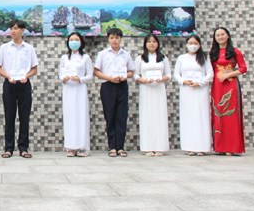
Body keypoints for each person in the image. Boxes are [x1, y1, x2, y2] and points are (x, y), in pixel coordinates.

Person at [0, 19, 39, 158]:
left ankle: (23, 148)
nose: (12, 31)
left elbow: (34, 69)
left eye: (15, 28)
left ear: (22, 30)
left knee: (24, 117)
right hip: (9, 83)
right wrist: (7, 76)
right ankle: (9, 148)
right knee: (9, 116)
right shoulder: (4, 48)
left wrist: (27, 76)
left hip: (24, 84)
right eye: (11, 28)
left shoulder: (29, 48)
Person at [94, 27, 135, 157]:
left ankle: (120, 147)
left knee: (121, 116)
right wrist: (109, 78)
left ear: (121, 39)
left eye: (117, 38)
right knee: (110, 116)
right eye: (112, 38)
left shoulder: (126, 54)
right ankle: (112, 147)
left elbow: (131, 71)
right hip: (107, 86)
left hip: (122, 86)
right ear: (108, 39)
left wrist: (125, 76)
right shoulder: (102, 54)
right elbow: (96, 72)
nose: (114, 40)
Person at [210, 27, 248, 155]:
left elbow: (243, 68)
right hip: (217, 86)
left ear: (228, 36)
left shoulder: (235, 51)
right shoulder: (213, 52)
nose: (220, 37)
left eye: (222, 34)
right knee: (218, 114)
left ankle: (232, 148)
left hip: (231, 85)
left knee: (231, 115)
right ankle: (220, 147)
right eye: (217, 35)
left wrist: (228, 74)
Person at [173, 34, 213, 156]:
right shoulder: (181, 58)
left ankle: (202, 147)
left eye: (195, 43)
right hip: (186, 91)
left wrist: (200, 83)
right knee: (188, 118)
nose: (193, 45)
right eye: (190, 43)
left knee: (201, 117)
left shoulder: (204, 57)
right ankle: (189, 147)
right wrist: (183, 81)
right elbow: (176, 74)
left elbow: (210, 74)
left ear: (199, 45)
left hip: (200, 91)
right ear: (186, 44)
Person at [134, 34, 171, 157]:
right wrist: (144, 80)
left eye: (154, 41)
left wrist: (162, 79)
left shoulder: (163, 58)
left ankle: (160, 147)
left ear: (158, 43)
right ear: (145, 44)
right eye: (149, 41)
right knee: (147, 116)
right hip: (146, 89)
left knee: (160, 116)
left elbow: (168, 75)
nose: (151, 43)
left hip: (159, 89)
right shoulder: (140, 59)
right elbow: (135, 75)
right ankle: (148, 147)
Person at [59, 32, 93, 157]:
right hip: (68, 89)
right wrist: (64, 78)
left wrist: (80, 79)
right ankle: (71, 147)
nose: (74, 42)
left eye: (76, 39)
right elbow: (60, 74)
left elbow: (90, 76)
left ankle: (83, 147)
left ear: (81, 42)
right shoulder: (64, 58)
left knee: (81, 116)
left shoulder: (85, 58)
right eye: (71, 39)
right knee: (69, 116)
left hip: (80, 89)